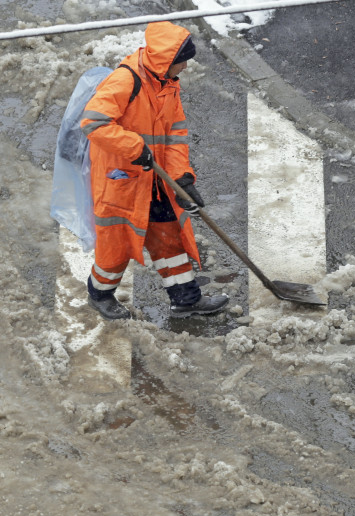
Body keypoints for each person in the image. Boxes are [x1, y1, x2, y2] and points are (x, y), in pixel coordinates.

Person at [80, 21, 229, 320]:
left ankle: (186, 299)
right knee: (117, 245)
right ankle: (100, 293)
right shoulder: (125, 80)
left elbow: (174, 136)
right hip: (120, 181)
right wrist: (134, 148)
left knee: (168, 236)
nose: (186, 66)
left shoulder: (167, 84)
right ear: (166, 61)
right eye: (182, 61)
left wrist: (182, 178)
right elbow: (93, 123)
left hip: (155, 179)